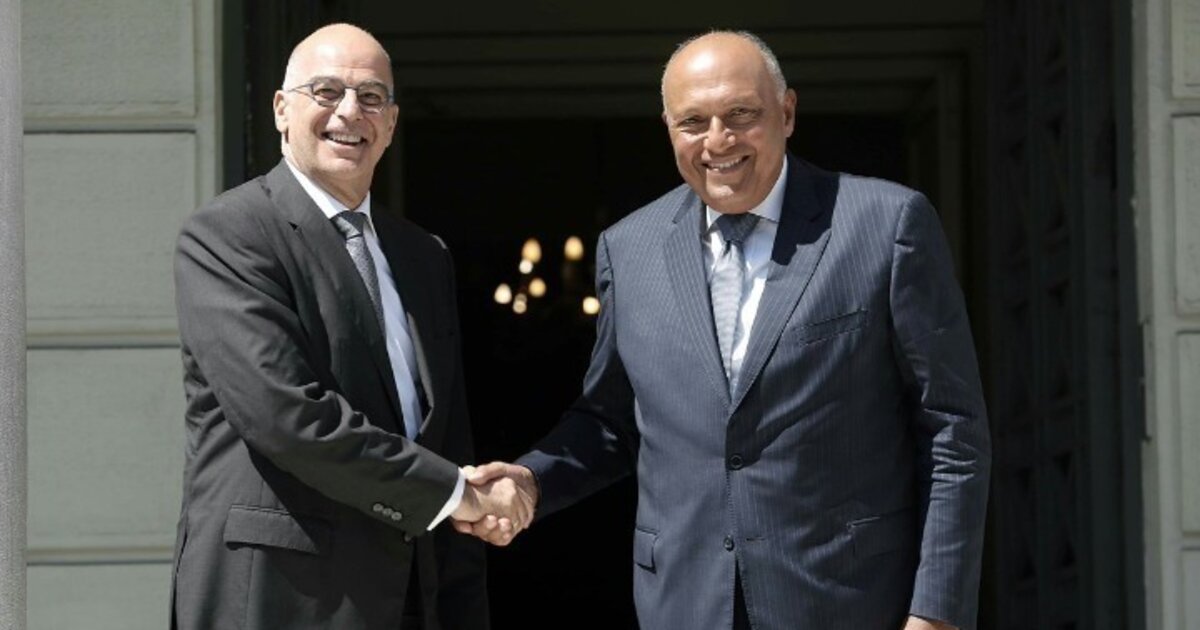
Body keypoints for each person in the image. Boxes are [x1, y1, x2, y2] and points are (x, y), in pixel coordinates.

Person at [458, 30, 991, 630]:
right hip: (685, 604)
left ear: (787, 113)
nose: (718, 141)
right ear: (668, 128)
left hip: (848, 601)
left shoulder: (885, 225)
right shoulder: (627, 250)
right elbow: (613, 420)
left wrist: (936, 613)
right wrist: (531, 481)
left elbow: (952, 431)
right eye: (693, 121)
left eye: (741, 114)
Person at [170, 23, 527, 630]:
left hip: (412, 597)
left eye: (371, 97)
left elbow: (448, 437)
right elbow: (287, 417)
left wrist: (464, 567)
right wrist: (457, 494)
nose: (349, 112)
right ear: (281, 110)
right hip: (281, 599)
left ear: (391, 123)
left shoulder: (423, 254)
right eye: (326, 91)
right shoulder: (229, 235)